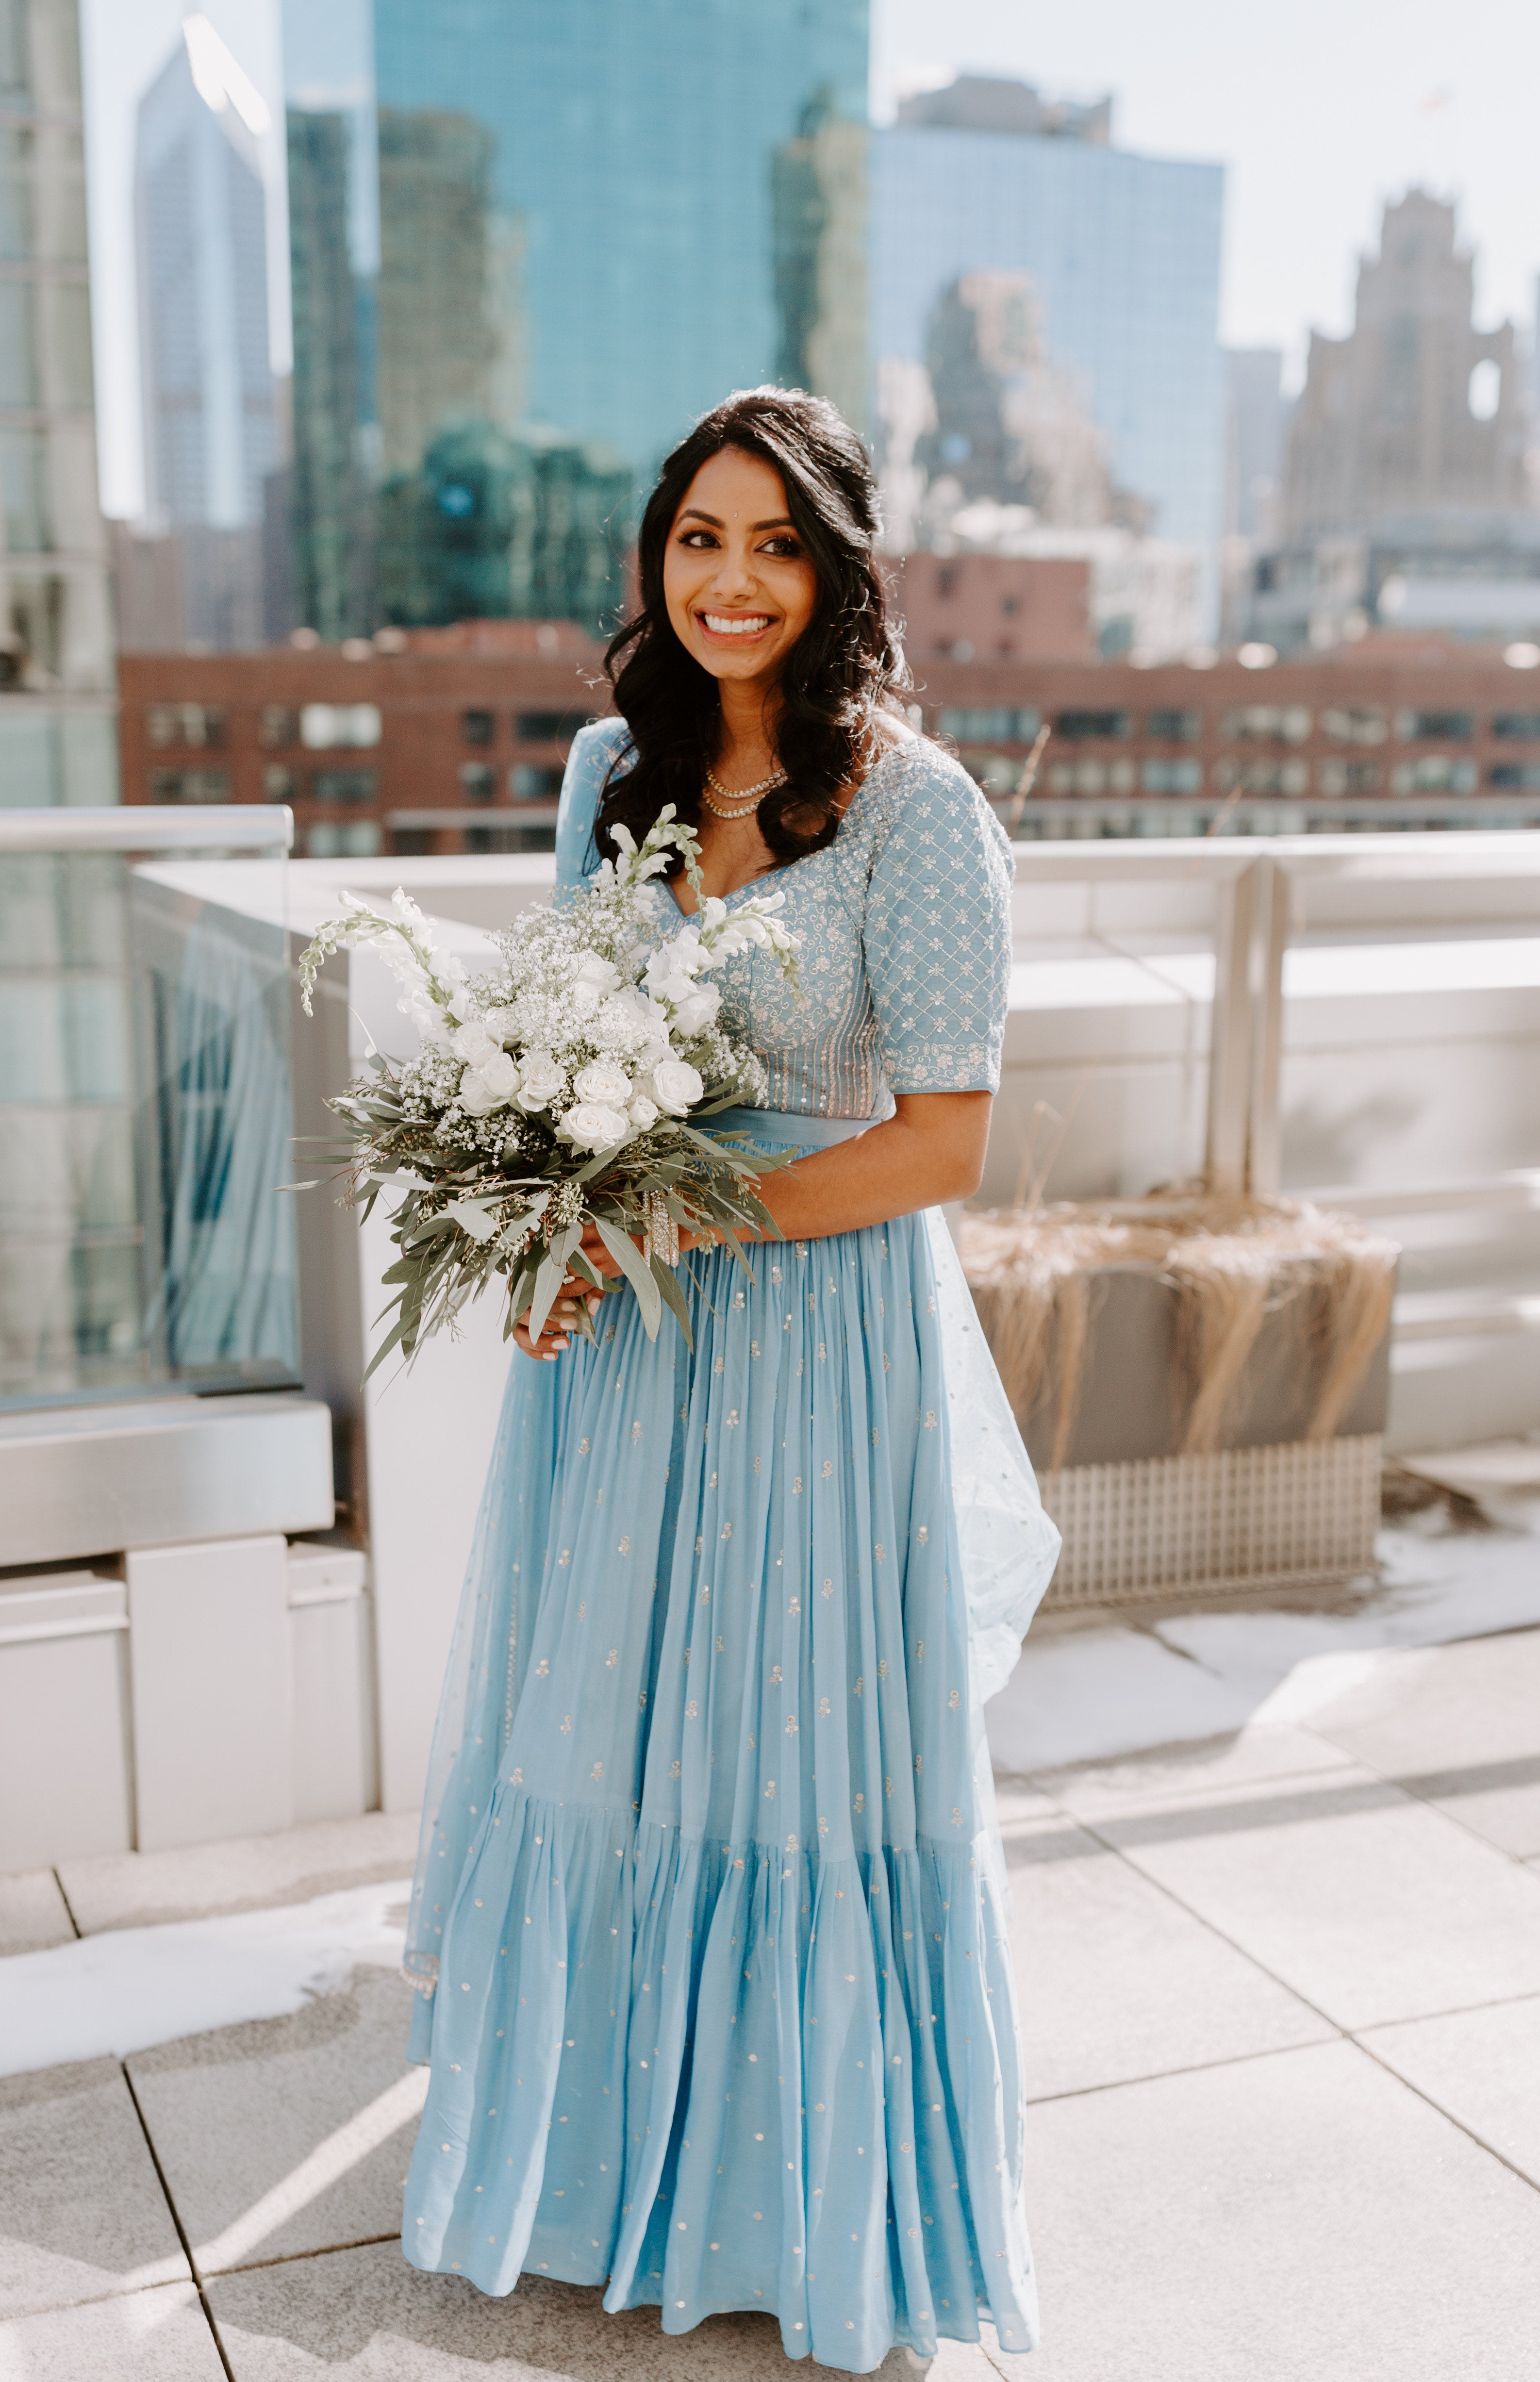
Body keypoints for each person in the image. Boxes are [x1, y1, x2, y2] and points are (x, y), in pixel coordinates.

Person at [400, 388, 1060, 2373]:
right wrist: (547, 1231)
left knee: (786, 1743)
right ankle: (600, 2159)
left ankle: (793, 2190)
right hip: (623, 1342)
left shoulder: (919, 810)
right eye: (699, 538)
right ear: (655, 564)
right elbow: (561, 1029)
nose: (733, 580)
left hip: (817, 1335)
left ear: (839, 566)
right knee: (606, 1715)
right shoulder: (612, 766)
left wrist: (689, 1224)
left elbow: (942, 1143)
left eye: (775, 542)